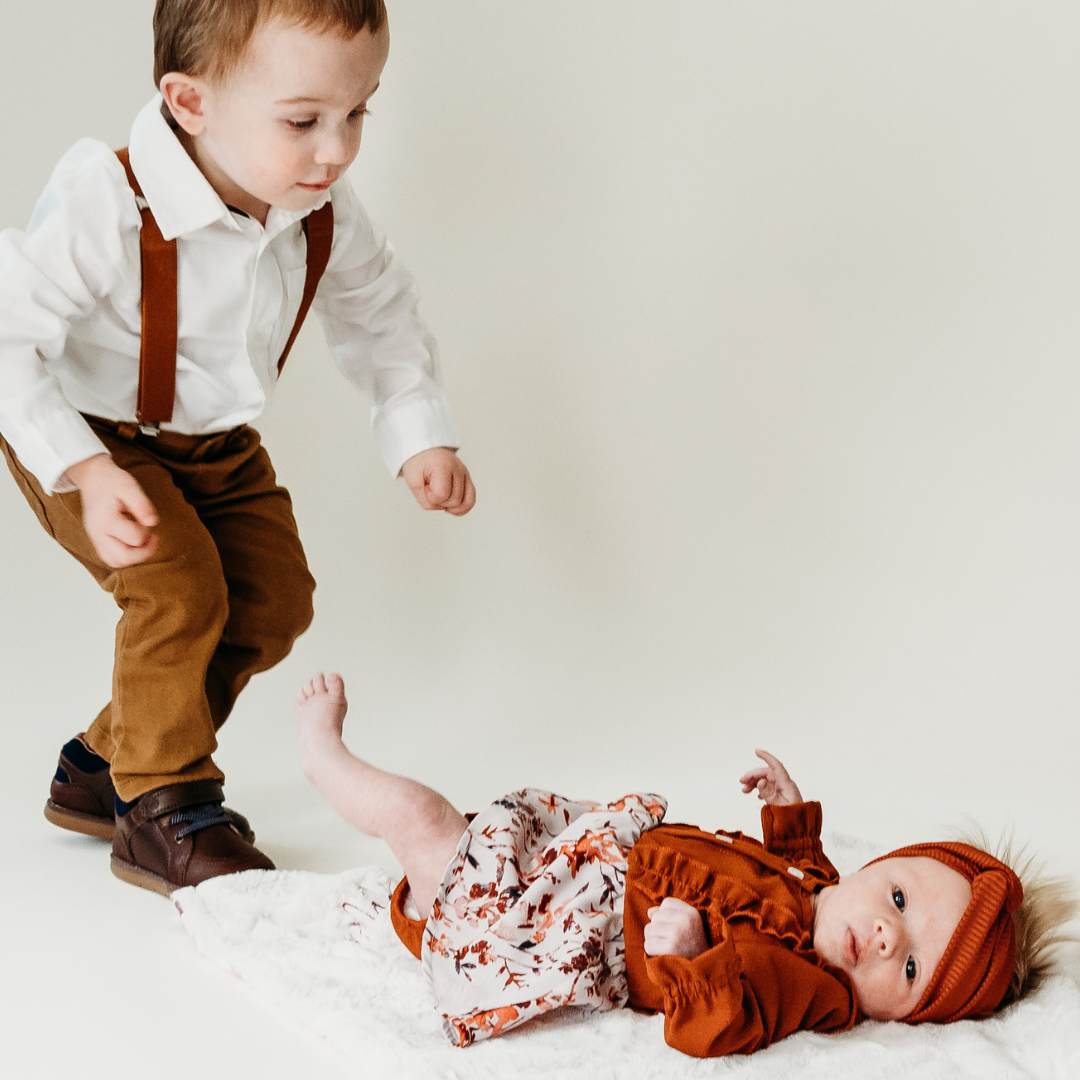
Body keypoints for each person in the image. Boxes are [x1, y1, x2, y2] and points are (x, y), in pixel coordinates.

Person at [0, 0, 475, 896]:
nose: (336, 150)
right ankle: (162, 801)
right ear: (190, 102)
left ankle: (102, 765)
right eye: (303, 121)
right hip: (85, 434)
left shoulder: (319, 208)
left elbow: (381, 315)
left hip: (215, 444)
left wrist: (418, 433)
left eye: (357, 112)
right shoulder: (111, 197)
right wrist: (87, 471)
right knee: (179, 590)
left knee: (274, 598)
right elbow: (7, 335)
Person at [296, 672, 1078, 1057]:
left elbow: (721, 1024)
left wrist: (697, 959)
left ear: (906, 1016)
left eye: (909, 969)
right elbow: (804, 869)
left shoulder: (815, 989)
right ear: (884, 864)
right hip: (585, 866)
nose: (883, 935)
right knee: (482, 828)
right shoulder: (826, 893)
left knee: (426, 823)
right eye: (899, 901)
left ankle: (325, 759)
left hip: (550, 927)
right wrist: (789, 815)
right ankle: (415, 876)